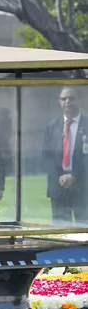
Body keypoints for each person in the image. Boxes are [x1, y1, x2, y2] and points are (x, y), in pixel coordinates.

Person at [43, 86, 87, 223]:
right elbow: (46, 155)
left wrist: (75, 176)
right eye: (64, 99)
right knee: (60, 232)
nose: (67, 101)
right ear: (59, 102)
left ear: (79, 100)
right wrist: (62, 178)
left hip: (83, 187)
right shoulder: (51, 127)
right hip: (58, 188)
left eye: (71, 98)